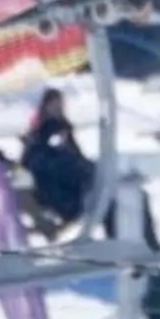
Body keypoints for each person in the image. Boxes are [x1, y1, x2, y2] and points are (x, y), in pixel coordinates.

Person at [20, 91, 95, 226]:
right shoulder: (41, 129)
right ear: (46, 106)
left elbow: (75, 152)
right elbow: (34, 157)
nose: (58, 108)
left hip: (65, 173)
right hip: (50, 178)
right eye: (54, 105)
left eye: (60, 104)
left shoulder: (63, 126)